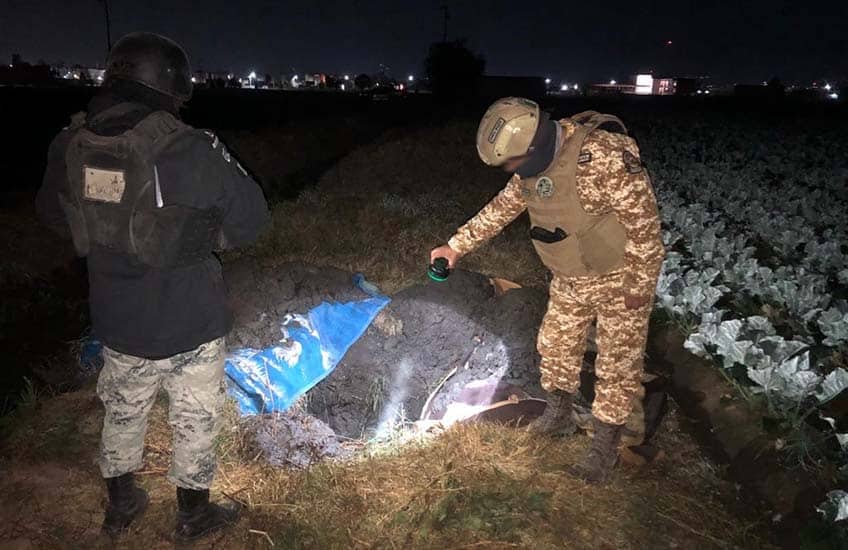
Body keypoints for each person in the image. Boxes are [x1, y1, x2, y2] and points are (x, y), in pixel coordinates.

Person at [35, 32, 270, 539]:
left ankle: (121, 505)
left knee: (122, 408)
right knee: (195, 417)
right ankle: (192, 515)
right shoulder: (189, 147)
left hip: (116, 317)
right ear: (172, 86)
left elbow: (52, 217)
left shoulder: (71, 143)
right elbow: (253, 221)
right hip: (190, 320)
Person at [430, 97, 664, 484]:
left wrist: (638, 287)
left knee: (616, 367)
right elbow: (501, 209)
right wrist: (455, 246)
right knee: (555, 347)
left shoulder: (604, 156)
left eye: (512, 162)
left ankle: (603, 452)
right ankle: (557, 418)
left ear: (533, 146)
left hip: (620, 278)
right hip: (571, 277)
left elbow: (645, 227)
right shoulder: (532, 169)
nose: (510, 170)